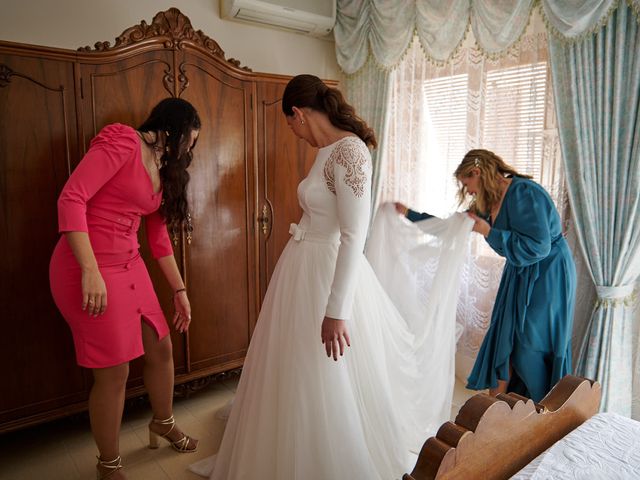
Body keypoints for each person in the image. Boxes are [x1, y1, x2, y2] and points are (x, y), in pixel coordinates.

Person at [190, 74, 459, 480]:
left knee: (326, 371)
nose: (294, 133)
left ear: (298, 113)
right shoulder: (325, 150)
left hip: (328, 271)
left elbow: (354, 234)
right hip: (301, 269)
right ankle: (286, 445)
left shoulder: (350, 152)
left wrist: (337, 310)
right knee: (294, 364)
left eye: (290, 124)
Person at [49, 98, 201, 479]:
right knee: (114, 372)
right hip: (87, 266)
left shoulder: (163, 168)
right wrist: (90, 269)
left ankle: (162, 422)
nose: (188, 151)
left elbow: (159, 239)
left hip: (129, 265)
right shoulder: (123, 142)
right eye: (188, 141)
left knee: (161, 347)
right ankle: (108, 463)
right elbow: (72, 198)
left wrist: (179, 291)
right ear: (172, 129)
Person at [452, 149, 576, 402]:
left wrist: (490, 232)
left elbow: (539, 246)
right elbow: (453, 224)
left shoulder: (524, 192)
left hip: (548, 273)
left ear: (477, 172)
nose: (469, 193)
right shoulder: (490, 201)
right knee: (505, 339)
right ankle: (498, 412)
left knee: (530, 345)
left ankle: (545, 406)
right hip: (520, 271)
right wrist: (411, 215)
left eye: (468, 185)